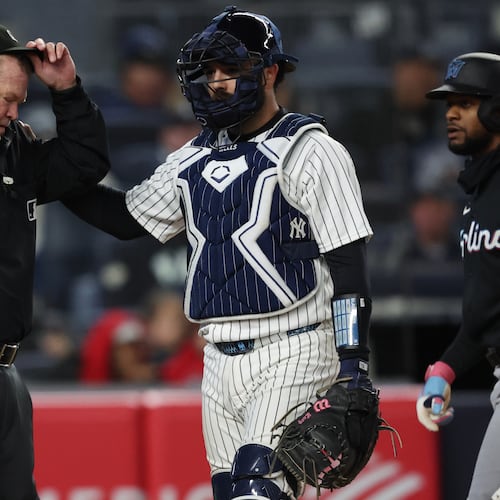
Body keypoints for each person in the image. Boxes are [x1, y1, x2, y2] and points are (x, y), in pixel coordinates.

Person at [63, 6, 375, 499]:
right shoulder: (192, 156)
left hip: (292, 345)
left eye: (230, 69)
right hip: (217, 356)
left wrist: (354, 363)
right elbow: (125, 219)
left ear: (269, 70)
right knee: (233, 492)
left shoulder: (310, 148)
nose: (216, 82)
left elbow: (348, 264)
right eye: (208, 72)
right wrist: (54, 180)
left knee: (258, 488)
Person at [0, 24, 109, 500]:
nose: (12, 111)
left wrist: (66, 90)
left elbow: (84, 164)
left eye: (19, 100)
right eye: (4, 98)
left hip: (5, 373)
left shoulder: (15, 149)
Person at [416, 52, 500, 500]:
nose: (450, 112)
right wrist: (445, 370)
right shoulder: (478, 192)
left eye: (466, 102)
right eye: (449, 103)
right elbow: (486, 308)